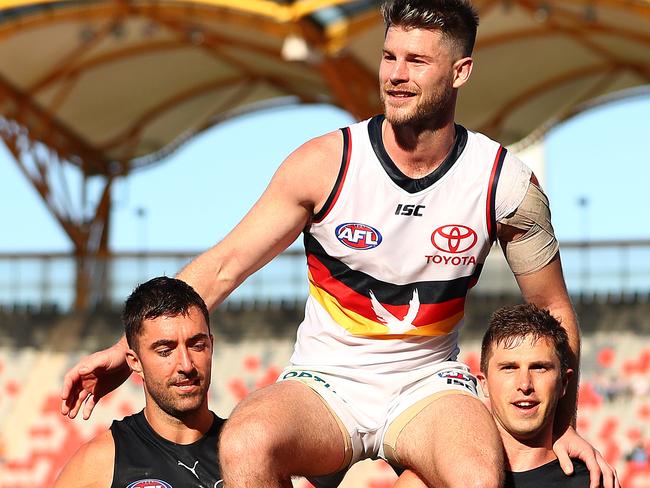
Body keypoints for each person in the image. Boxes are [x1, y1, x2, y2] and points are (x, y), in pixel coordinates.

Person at [61, 1, 617, 487]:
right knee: (246, 443)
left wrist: (564, 425)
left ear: (461, 71)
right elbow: (225, 265)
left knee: (477, 473)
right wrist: (118, 347)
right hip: (326, 383)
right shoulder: (325, 164)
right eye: (389, 57)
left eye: (417, 61)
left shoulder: (505, 183)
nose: (396, 75)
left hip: (426, 382)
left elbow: (551, 307)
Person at [395, 304, 604, 487]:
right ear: (483, 384)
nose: (525, 384)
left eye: (539, 367)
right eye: (509, 368)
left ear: (564, 384)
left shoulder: (593, 481)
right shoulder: (433, 481)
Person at [55, 277, 224, 488]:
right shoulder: (100, 462)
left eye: (197, 346)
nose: (186, 365)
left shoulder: (249, 450)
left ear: (211, 346)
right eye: (165, 351)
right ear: (135, 362)